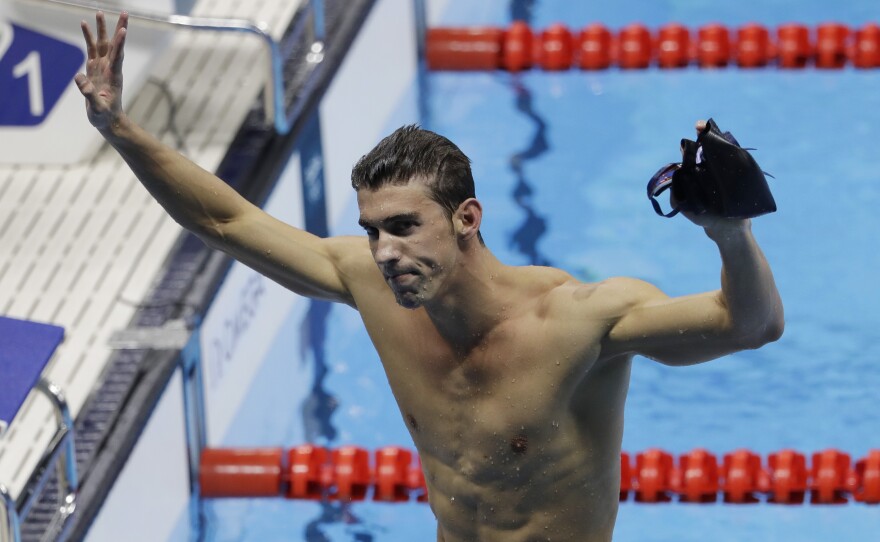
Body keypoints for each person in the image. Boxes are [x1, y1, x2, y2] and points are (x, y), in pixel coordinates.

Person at [75, 12, 784, 542]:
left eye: (405, 227)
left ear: (467, 218)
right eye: (373, 231)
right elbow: (225, 223)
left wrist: (731, 234)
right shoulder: (370, 285)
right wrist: (118, 127)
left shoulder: (581, 321)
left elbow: (749, 325)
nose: (383, 251)